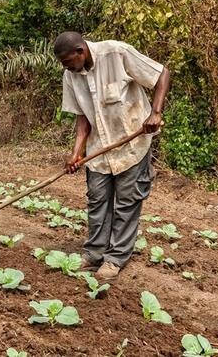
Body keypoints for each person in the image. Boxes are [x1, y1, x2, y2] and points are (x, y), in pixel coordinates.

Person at [55, 31, 170, 281]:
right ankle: (95, 253)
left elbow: (161, 73)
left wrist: (156, 113)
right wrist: (76, 153)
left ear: (80, 52)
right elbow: (82, 118)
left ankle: (116, 257)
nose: (65, 67)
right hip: (99, 150)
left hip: (132, 144)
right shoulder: (70, 76)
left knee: (127, 202)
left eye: (67, 62)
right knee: (97, 200)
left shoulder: (116, 53)